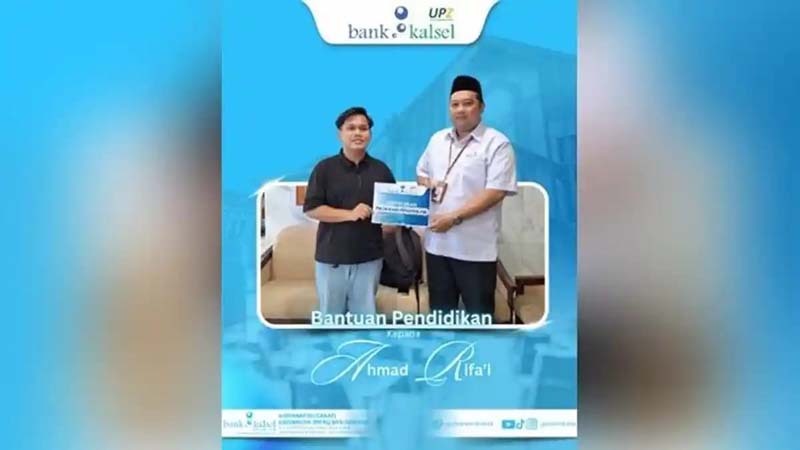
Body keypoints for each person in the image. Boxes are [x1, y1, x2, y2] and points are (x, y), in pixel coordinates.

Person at [416, 75, 518, 319]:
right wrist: (428, 183)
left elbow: (496, 191)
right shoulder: (437, 139)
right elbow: (421, 172)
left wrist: (453, 217)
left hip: (475, 251)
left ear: (481, 107)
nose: (460, 110)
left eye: (468, 103)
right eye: (455, 104)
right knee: (441, 316)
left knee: (478, 317)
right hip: (437, 247)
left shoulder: (497, 143)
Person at [303, 106, 396, 315]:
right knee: (331, 317)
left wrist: (396, 221)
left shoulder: (382, 170)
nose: (357, 133)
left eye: (363, 128)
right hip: (332, 257)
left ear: (370, 134)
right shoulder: (324, 168)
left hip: (370, 257)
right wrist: (350, 214)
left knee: (365, 317)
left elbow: (392, 211)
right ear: (340, 134)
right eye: (351, 128)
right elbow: (312, 209)